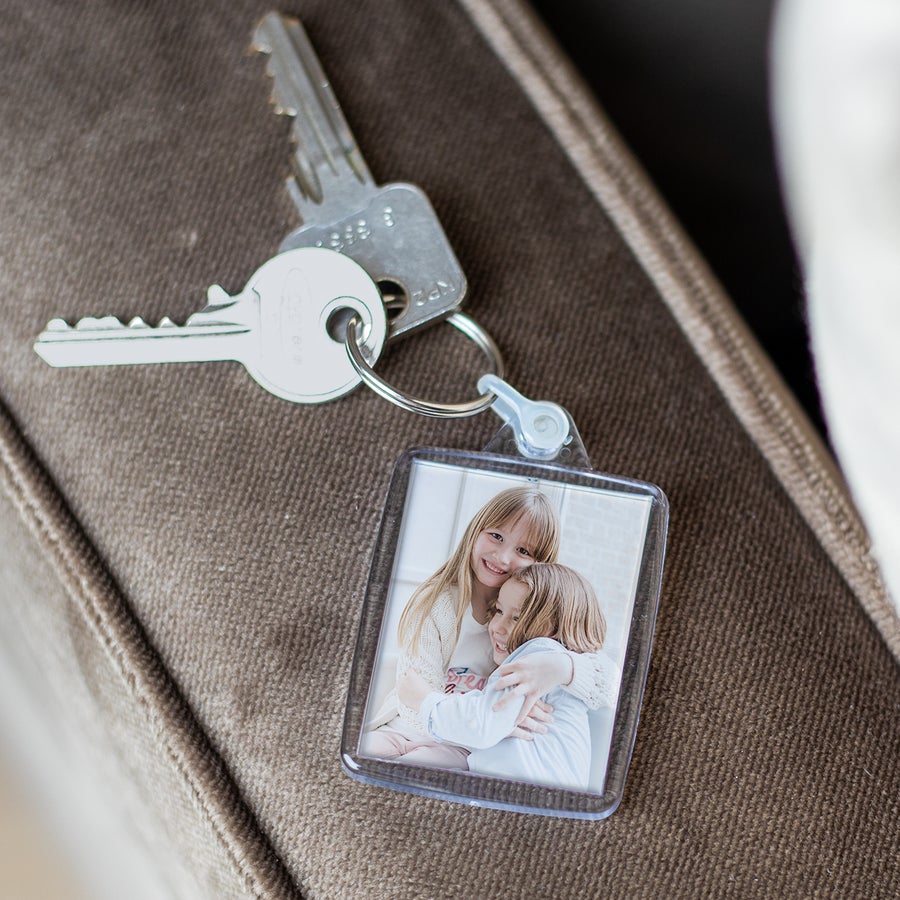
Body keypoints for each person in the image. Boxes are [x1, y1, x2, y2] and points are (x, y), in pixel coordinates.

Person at [361, 486, 617, 768]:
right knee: (363, 751)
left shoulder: (540, 624)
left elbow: (610, 684)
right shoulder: (438, 603)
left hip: (461, 749)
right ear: (476, 532)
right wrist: (492, 725)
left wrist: (561, 668)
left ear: (540, 564)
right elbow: (413, 698)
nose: (503, 557)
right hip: (409, 728)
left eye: (522, 550)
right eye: (496, 536)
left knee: (413, 768)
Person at [399, 563, 607, 791]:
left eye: (516, 617)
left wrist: (424, 700)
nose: (497, 626)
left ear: (556, 626)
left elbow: (482, 724)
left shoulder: (537, 656)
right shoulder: (560, 668)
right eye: (499, 611)